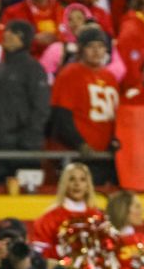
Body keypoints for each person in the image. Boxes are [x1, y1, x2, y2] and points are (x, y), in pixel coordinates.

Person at [50, 27, 119, 184]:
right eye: (91, 46)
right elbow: (62, 115)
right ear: (81, 49)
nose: (96, 51)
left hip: (105, 155)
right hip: (78, 154)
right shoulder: (70, 73)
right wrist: (80, 143)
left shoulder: (110, 77)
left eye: (101, 46)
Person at [0, 20, 51, 183]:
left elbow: (41, 108)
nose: (7, 35)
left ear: (24, 40)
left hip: (23, 150)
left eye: (14, 33)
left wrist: (28, 142)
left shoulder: (34, 68)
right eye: (7, 30)